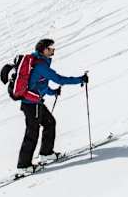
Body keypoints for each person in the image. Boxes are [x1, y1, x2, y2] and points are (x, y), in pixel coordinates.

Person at [16, 38, 88, 176]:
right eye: (51, 48)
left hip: (36, 103)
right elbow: (59, 79)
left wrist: (52, 91)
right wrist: (80, 79)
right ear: (44, 50)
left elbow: (41, 85)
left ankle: (46, 153)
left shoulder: (42, 63)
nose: (53, 50)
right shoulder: (40, 66)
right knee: (32, 133)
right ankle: (23, 166)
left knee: (50, 122)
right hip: (31, 105)